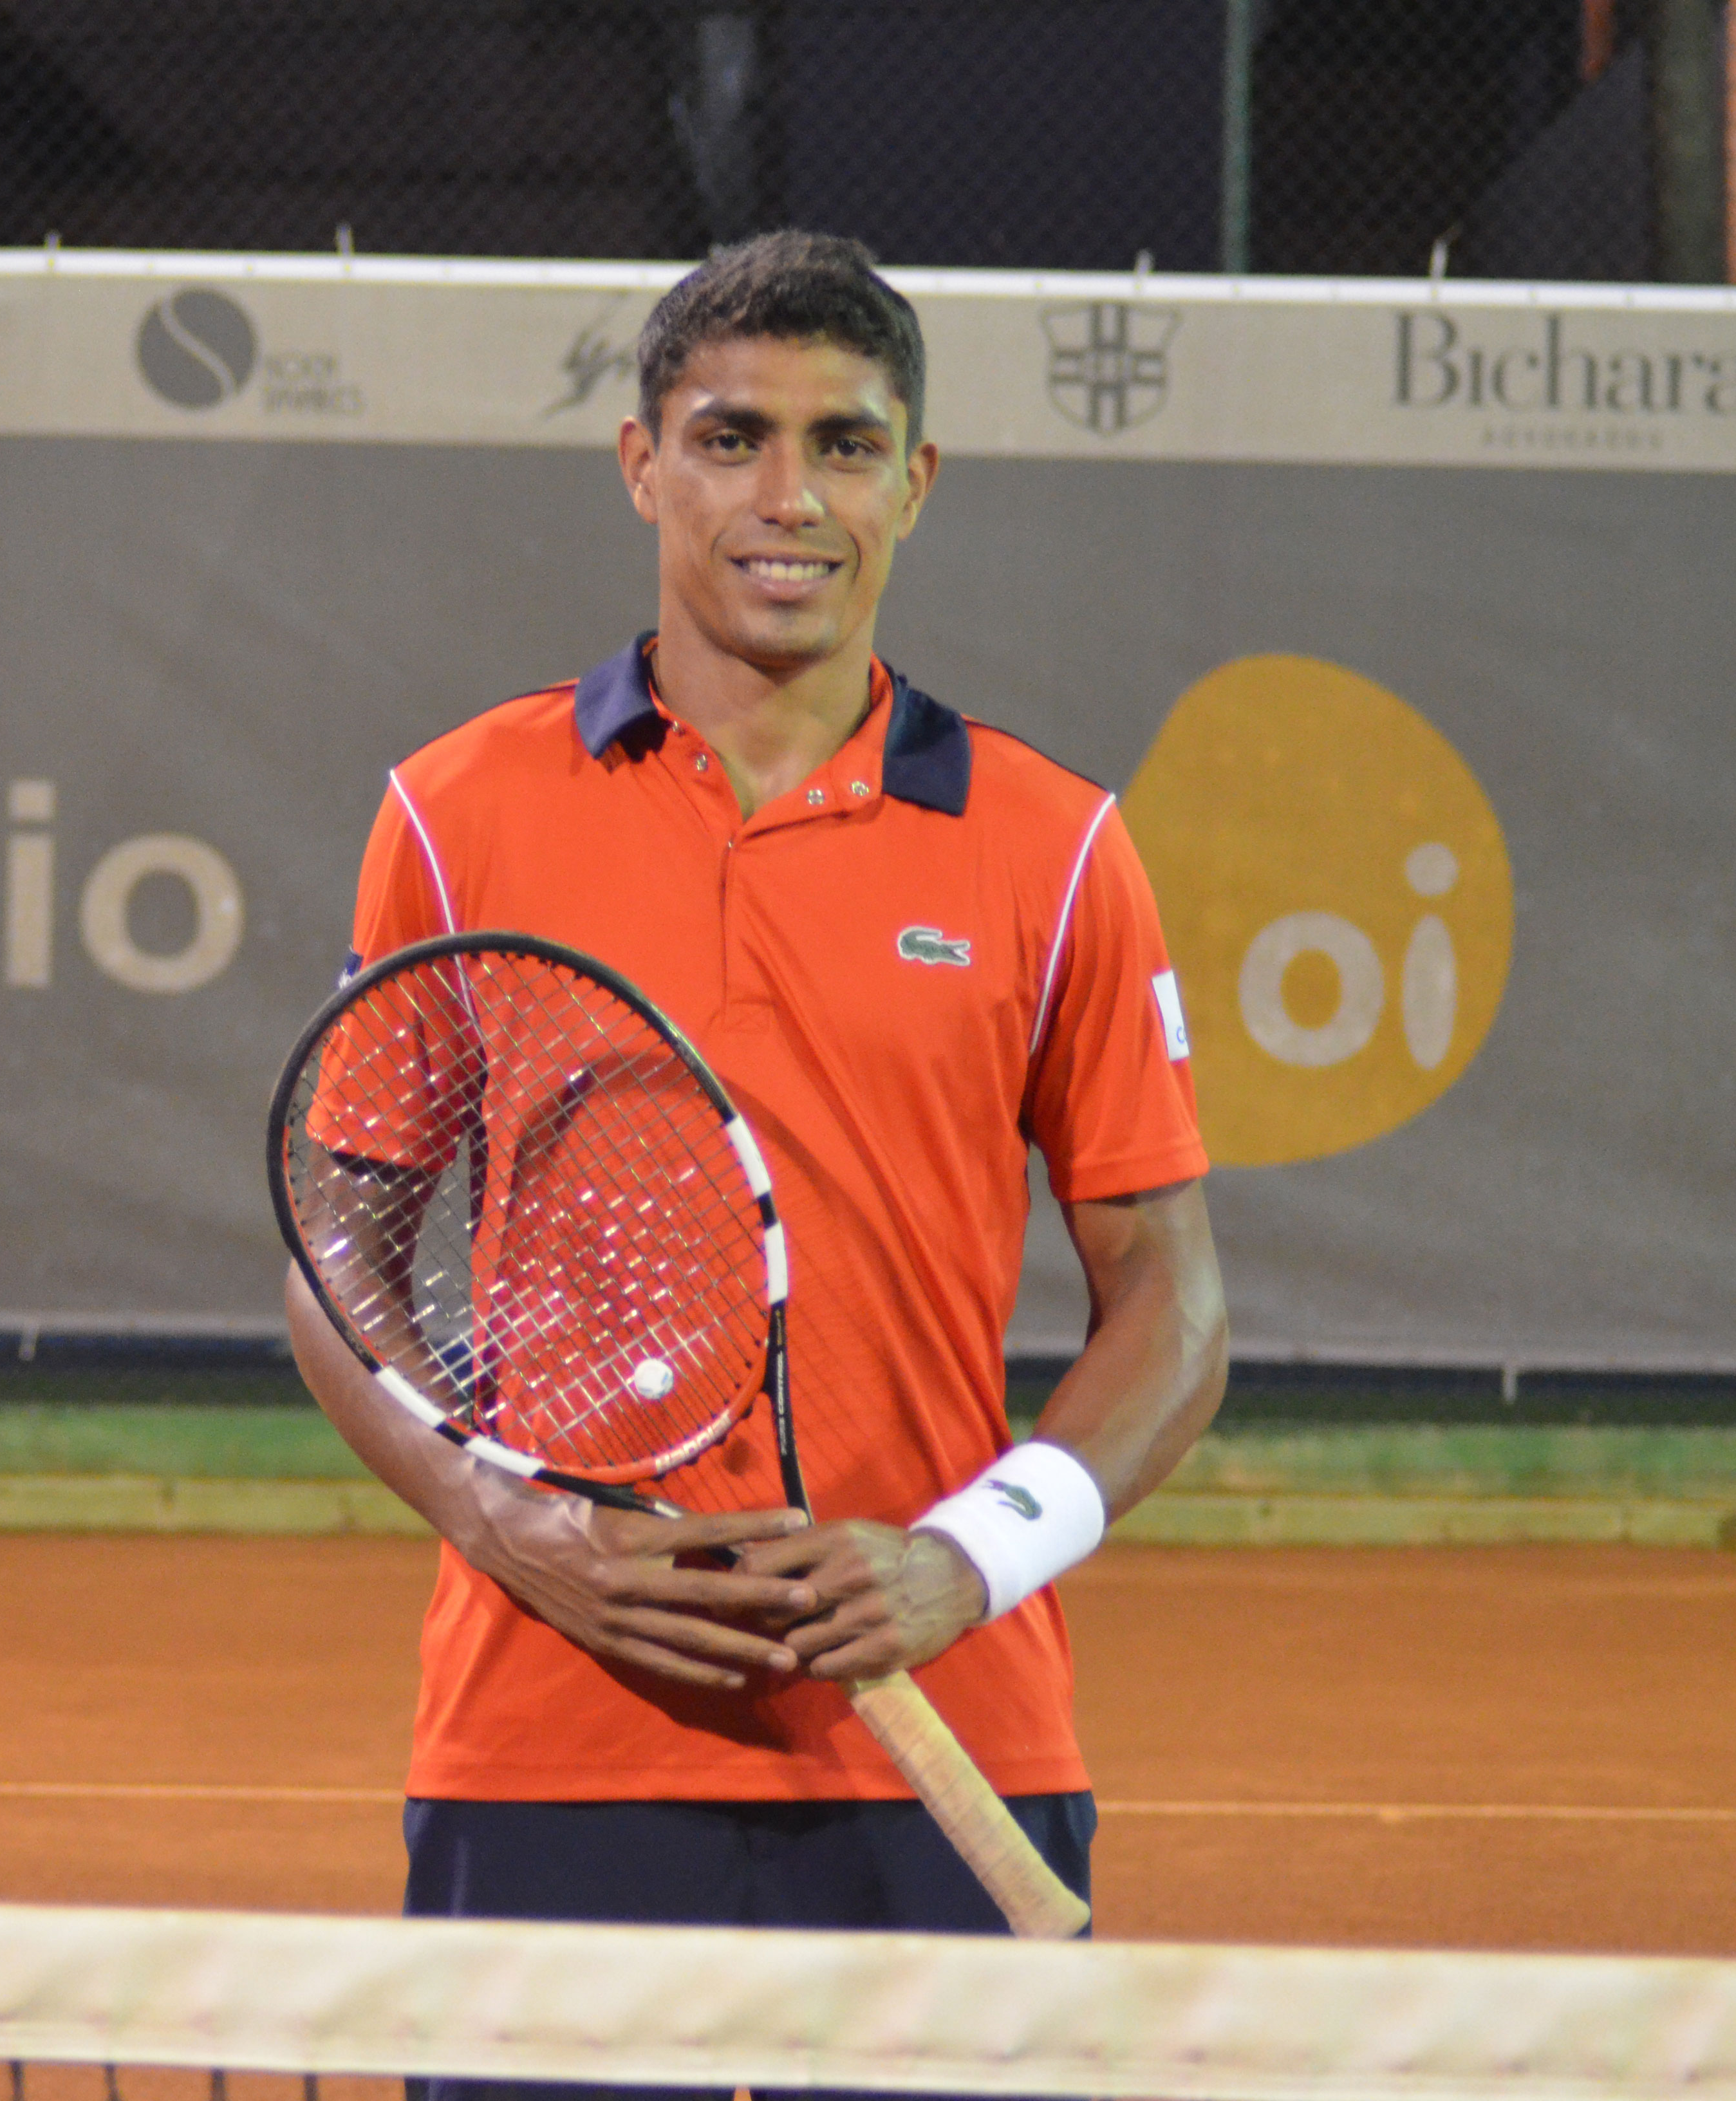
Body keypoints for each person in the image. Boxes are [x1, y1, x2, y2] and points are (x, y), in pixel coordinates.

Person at [283, 230, 1229, 1960]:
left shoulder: (1058, 846)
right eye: (732, 438)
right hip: (542, 1745)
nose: (790, 495)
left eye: (846, 444)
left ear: (917, 482)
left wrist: (966, 1560)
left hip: (955, 1737)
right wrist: (509, 1521)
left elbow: (1174, 1308)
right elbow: (336, 1256)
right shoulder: (452, 811)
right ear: (642, 467)